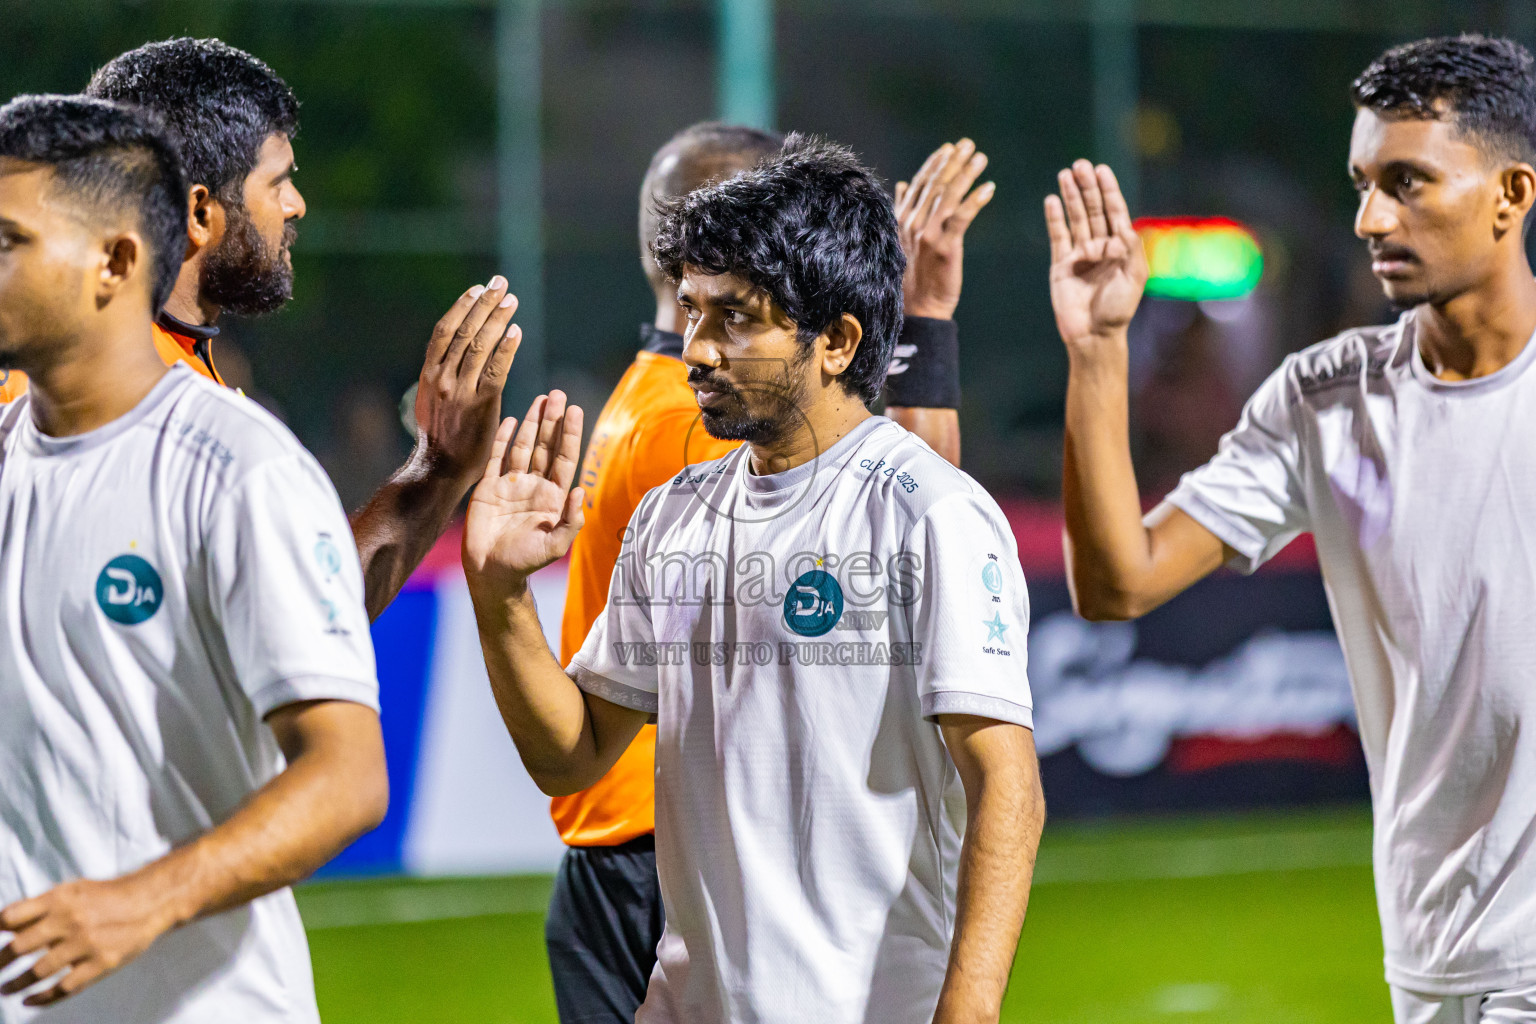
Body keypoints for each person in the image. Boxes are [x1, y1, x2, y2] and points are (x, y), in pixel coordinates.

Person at [464, 134, 1043, 1024]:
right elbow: (571, 754)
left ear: (838, 341)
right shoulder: (674, 514)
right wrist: (499, 594)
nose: (695, 349)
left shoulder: (930, 512)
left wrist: (968, 1009)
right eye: (692, 312)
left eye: (734, 318)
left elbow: (1007, 784)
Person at [1046, 34, 1536, 1024]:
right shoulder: (1328, 398)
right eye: (1363, 183)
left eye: (1408, 182)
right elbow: (1117, 583)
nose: (1371, 217)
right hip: (1432, 951)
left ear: (1510, 194)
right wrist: (1098, 353)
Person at [0, 94, 383, 1023]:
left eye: (7, 241)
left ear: (116, 261)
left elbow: (347, 777)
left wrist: (142, 900)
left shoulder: (240, 471)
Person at [0, 37, 516, 619]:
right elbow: (299, 616)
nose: (295, 204)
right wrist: (439, 471)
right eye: (277, 182)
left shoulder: (143, 367)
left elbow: (287, 621)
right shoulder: (111, 397)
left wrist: (440, 471)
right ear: (198, 213)